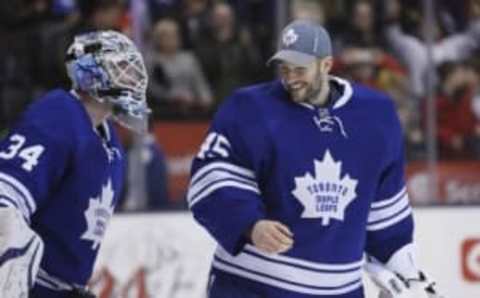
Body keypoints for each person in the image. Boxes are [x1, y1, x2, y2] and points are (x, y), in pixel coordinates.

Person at [187, 20, 445, 298]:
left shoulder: (376, 117)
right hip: (251, 284)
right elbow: (212, 174)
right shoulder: (250, 108)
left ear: (326, 64)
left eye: (300, 69)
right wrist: (251, 225)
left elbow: (385, 207)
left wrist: (401, 271)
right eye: (284, 68)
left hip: (338, 291)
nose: (290, 78)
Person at [0, 30, 150, 298]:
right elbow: (6, 196)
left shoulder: (110, 141)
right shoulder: (57, 115)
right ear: (92, 72)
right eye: (121, 68)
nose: (133, 78)